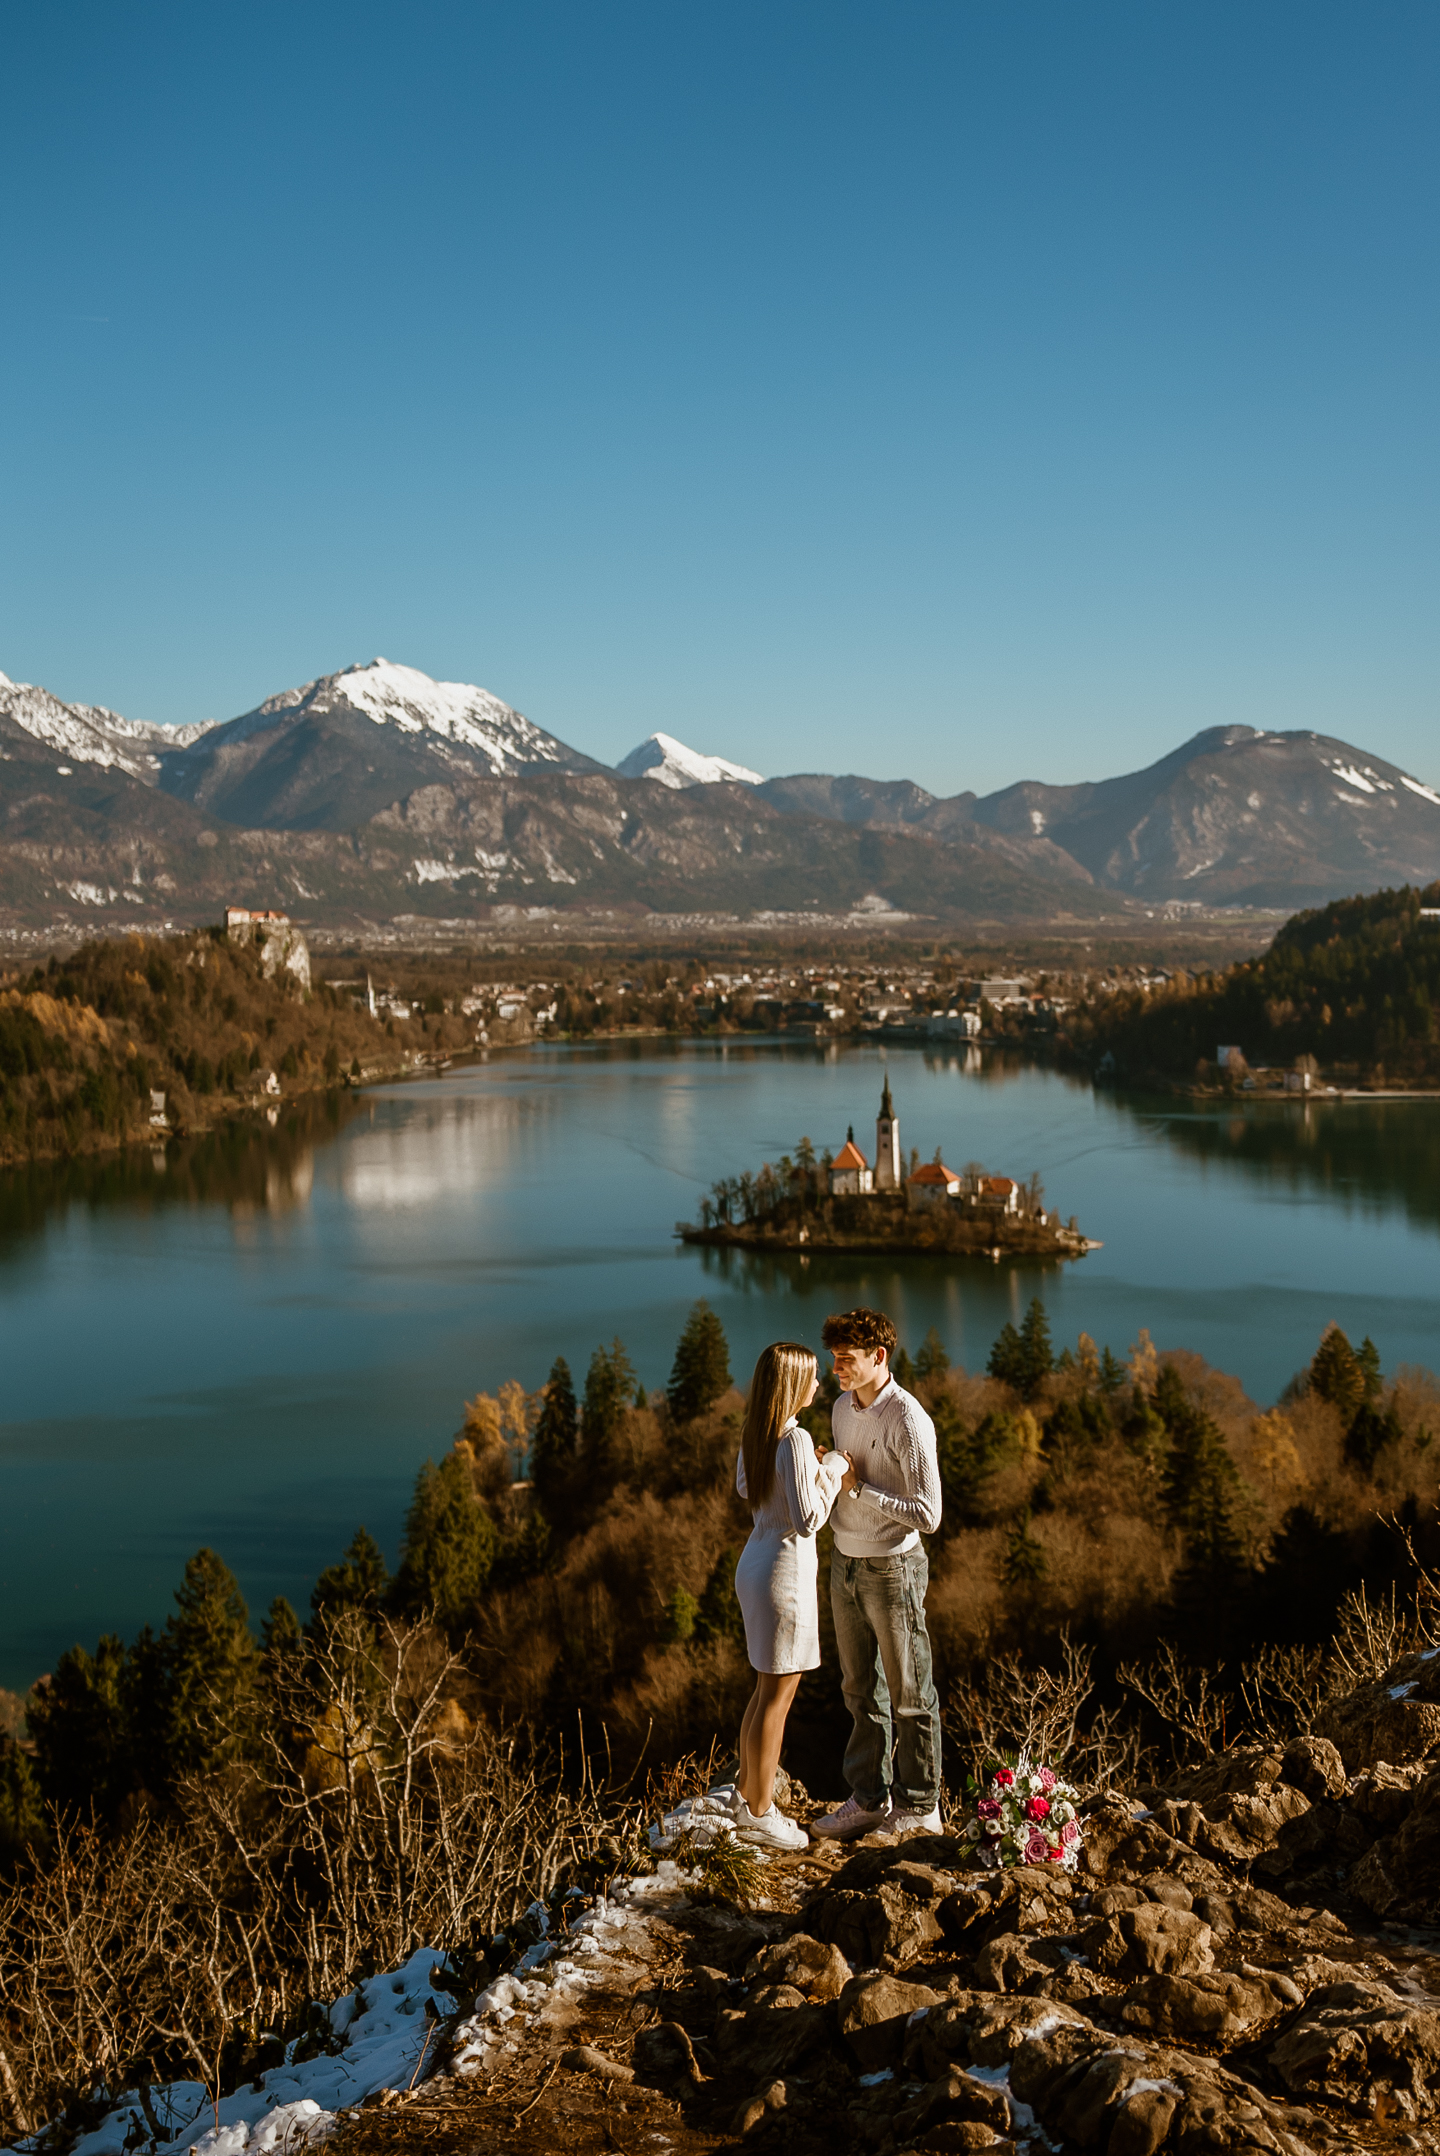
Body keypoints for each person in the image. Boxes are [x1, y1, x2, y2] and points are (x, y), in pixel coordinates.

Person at [812, 1306, 943, 1841]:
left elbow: (929, 1514)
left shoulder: (908, 1420)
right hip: (843, 1561)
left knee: (911, 1691)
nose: (836, 1369)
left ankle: (920, 1807)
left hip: (893, 1568)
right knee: (860, 1691)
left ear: (878, 1357)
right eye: (835, 1358)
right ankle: (868, 1800)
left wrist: (859, 1489)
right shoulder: (843, 1407)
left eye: (846, 1360)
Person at [730, 1340, 849, 1851]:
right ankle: (759, 1812)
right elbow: (810, 1518)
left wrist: (799, 1476)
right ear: (793, 1385)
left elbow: (744, 1489)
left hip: (754, 1564)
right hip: (784, 1575)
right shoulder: (796, 1441)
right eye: (813, 1377)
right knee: (778, 1699)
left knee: (763, 1691)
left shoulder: (758, 1433)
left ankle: (744, 1794)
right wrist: (834, 1469)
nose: (820, 1385)